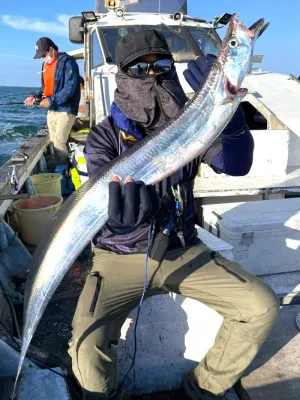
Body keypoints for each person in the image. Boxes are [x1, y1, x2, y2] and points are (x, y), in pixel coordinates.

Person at [68, 30, 279, 400]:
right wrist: (121, 219)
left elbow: (236, 164)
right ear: (123, 74)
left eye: (161, 65)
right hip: (120, 255)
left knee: (261, 306)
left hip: (184, 247)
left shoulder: (190, 122)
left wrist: (228, 116)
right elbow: (102, 199)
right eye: (140, 67)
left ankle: (202, 388)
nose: (152, 75)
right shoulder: (104, 137)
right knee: (85, 349)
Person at [24, 37, 80, 165]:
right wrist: (35, 97)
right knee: (54, 142)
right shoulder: (45, 65)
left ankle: (63, 172)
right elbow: (45, 88)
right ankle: (61, 168)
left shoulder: (68, 62)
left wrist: (50, 101)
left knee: (60, 144)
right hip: (52, 110)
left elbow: (69, 88)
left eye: (43, 55)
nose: (43, 58)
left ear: (51, 50)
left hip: (66, 110)